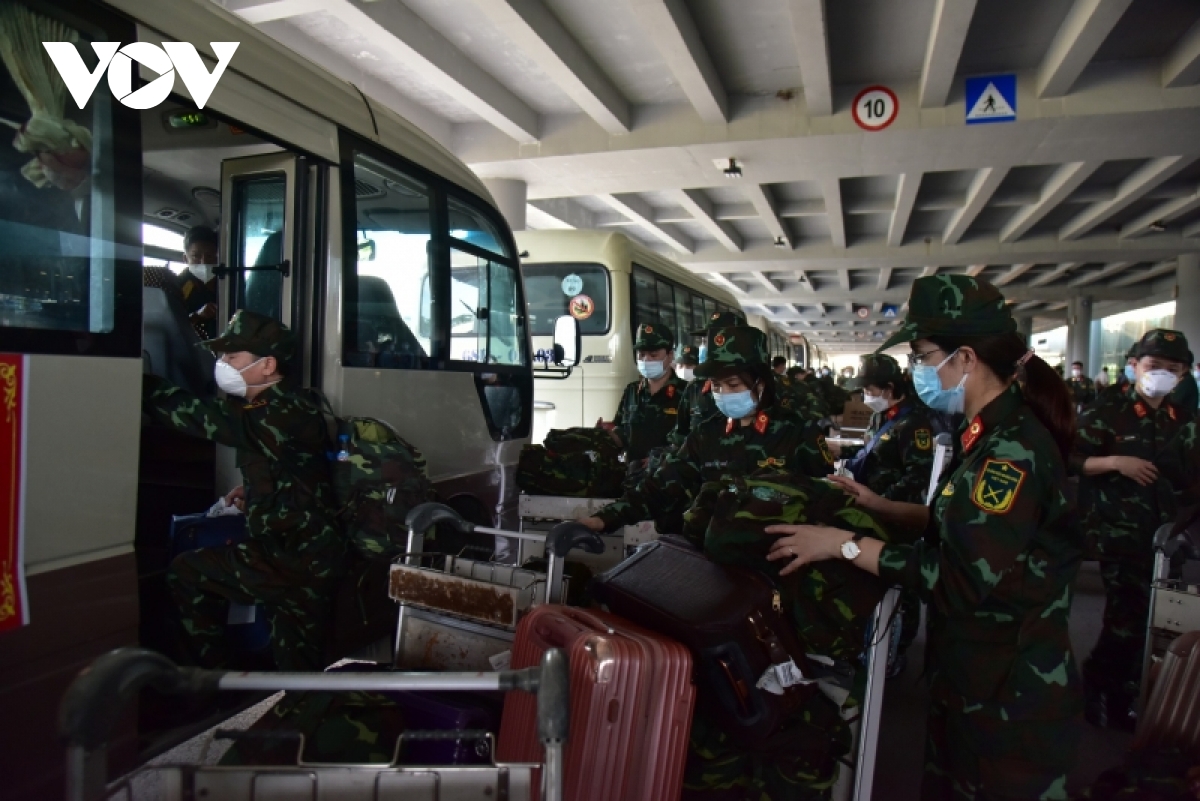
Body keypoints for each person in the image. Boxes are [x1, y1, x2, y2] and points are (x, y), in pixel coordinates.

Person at [767, 275, 1083, 799]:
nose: (916, 368)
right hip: (975, 676)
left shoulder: (1010, 454)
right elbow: (961, 525)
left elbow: (957, 578)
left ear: (965, 358)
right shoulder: (986, 434)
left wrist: (844, 545)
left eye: (921, 355)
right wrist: (880, 506)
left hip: (1010, 698)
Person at [579, 324, 837, 799]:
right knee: (719, 697)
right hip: (711, 587)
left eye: (733, 383)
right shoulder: (706, 434)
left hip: (777, 595)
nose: (722, 393)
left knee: (777, 702)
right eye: (715, 384)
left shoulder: (796, 434)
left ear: (760, 381)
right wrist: (603, 519)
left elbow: (826, 504)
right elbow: (660, 487)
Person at [143, 310, 345, 671]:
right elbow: (293, 471)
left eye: (232, 356)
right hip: (299, 554)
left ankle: (212, 682)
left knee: (188, 572)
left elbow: (199, 417)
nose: (223, 364)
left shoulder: (278, 414)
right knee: (299, 669)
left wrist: (139, 383)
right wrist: (257, 491)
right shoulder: (280, 407)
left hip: (295, 558)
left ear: (267, 365)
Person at [1071, 328, 1195, 730]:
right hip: (1118, 531)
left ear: (1183, 374)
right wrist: (1115, 463)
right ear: (1134, 365)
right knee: (1127, 618)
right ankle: (1099, 682)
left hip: (1166, 536)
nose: (1162, 374)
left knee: (1151, 619)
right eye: (1154, 365)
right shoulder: (1108, 409)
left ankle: (1122, 693)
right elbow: (1069, 458)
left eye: (1172, 368)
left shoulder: (1182, 419)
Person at [601, 322, 687, 465]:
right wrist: (608, 435)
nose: (646, 360)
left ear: (670, 355)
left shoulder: (685, 393)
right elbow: (622, 432)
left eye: (653, 355)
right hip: (633, 473)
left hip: (668, 474)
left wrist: (658, 460)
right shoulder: (631, 391)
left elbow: (691, 441)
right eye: (641, 355)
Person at [177, 225, 221, 339]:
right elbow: (174, 324)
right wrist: (197, 315)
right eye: (196, 256)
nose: (203, 262)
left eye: (210, 256)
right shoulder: (177, 285)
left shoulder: (228, 280)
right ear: (185, 259)